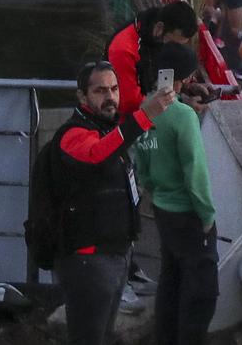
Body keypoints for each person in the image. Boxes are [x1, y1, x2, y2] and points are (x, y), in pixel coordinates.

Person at [48, 60, 175, 345]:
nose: (110, 97)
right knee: (89, 338)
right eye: (100, 91)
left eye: (114, 89)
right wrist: (145, 116)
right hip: (88, 260)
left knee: (103, 335)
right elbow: (98, 155)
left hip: (115, 255)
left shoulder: (105, 127)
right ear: (82, 97)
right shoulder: (73, 135)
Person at [131, 42, 218, 345]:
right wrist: (207, 215)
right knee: (202, 292)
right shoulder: (183, 117)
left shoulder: (144, 107)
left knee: (171, 279)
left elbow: (140, 159)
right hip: (189, 215)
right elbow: (195, 171)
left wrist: (153, 192)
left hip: (163, 208)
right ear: (184, 76)